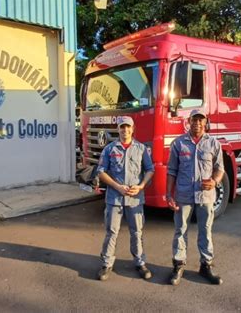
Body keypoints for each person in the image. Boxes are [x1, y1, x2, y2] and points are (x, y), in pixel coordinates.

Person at [166, 108, 225, 286]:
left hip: (205, 196)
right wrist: (168, 194)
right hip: (183, 194)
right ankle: (178, 264)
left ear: (205, 122)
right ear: (188, 121)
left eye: (201, 120)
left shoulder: (214, 144)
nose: (197, 123)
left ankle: (205, 266)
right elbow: (171, 171)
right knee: (180, 230)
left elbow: (220, 168)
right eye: (194, 120)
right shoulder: (178, 144)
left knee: (205, 231)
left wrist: (214, 181)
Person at [96, 116, 155, 281]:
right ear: (118, 129)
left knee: (137, 232)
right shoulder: (109, 149)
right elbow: (101, 171)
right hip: (114, 198)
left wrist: (142, 185)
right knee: (111, 232)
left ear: (133, 128)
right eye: (122, 127)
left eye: (128, 127)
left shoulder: (142, 149)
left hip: (135, 199)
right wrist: (117, 187)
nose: (125, 130)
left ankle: (140, 263)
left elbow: (150, 169)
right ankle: (107, 264)